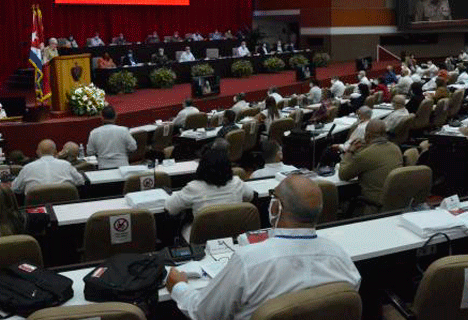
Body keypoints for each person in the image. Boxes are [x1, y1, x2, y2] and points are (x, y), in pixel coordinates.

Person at [166, 174, 361, 320]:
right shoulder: (341, 257)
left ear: (276, 207)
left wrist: (179, 287)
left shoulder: (249, 261)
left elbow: (204, 313)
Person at [165, 147, 255, 239]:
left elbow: (170, 208)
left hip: (202, 240)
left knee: (182, 225)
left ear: (202, 167)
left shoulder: (194, 187)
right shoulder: (237, 182)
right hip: (233, 236)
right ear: (228, 168)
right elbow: (250, 196)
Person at [338, 119, 402, 214]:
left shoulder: (366, 154)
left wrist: (350, 151)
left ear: (367, 135)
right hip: (394, 200)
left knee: (341, 196)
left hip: (372, 203)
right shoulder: (396, 148)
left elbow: (343, 175)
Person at [11, 139, 85, 194]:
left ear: (37, 152)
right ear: (55, 152)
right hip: (66, 206)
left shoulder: (27, 168)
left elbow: (15, 188)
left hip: (36, 211)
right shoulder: (66, 165)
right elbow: (81, 181)